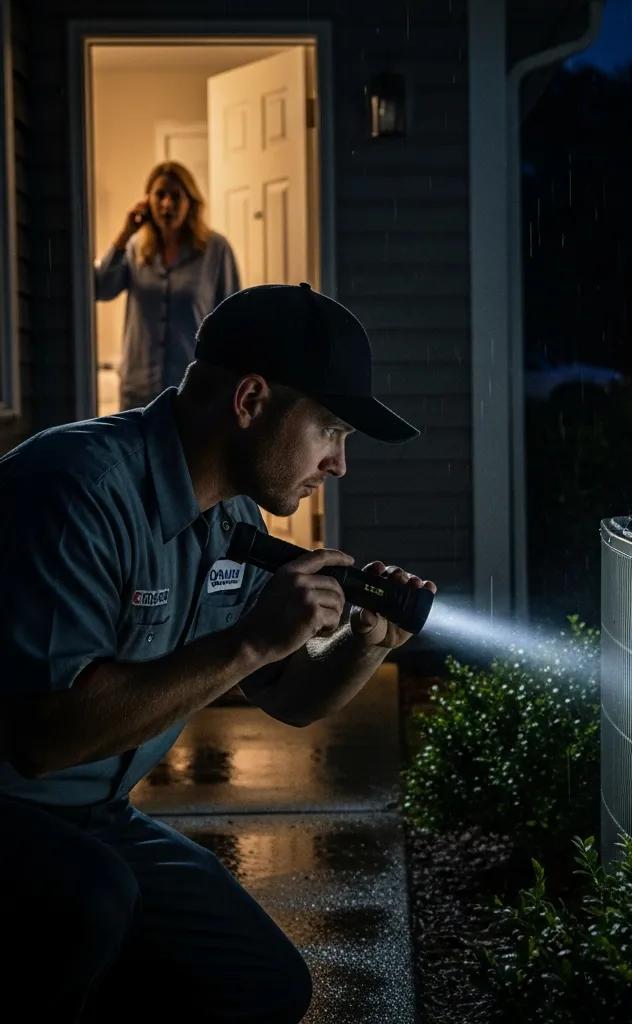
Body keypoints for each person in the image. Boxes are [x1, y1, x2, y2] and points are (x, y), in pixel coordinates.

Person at [0, 283, 434, 1022]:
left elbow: (287, 698)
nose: (338, 464)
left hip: (91, 817)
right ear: (251, 400)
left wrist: (363, 648)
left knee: (262, 984)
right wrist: (251, 638)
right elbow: (44, 739)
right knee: (90, 901)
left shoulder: (229, 518)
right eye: (330, 430)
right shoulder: (76, 492)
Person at [95, 160, 241, 410]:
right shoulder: (135, 249)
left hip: (192, 385)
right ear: (148, 201)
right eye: (160, 195)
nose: (167, 204)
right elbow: (101, 288)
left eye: (176, 196)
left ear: (190, 202)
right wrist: (124, 234)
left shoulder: (215, 250)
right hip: (139, 387)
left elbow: (232, 317)